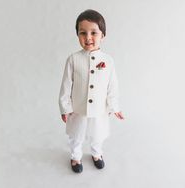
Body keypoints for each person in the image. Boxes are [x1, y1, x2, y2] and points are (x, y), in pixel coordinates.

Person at [59, 9, 124, 173]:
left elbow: (112, 86)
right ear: (77, 35)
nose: (88, 38)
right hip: (77, 109)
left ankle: (97, 153)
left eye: (93, 32)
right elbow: (66, 85)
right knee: (76, 136)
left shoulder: (108, 61)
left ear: (103, 35)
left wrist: (114, 107)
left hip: (99, 110)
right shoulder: (73, 59)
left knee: (98, 135)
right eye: (83, 33)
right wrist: (65, 107)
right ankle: (75, 156)